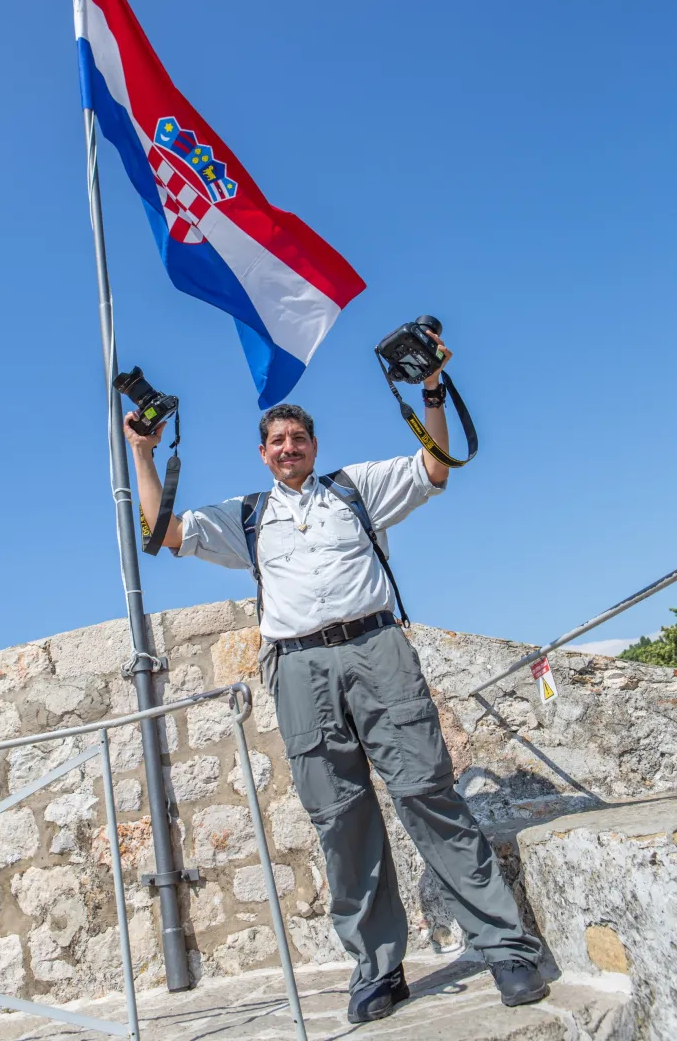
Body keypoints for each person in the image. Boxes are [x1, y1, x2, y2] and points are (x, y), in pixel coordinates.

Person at [124, 329, 548, 1024]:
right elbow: (164, 530)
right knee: (340, 820)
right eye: (277, 441)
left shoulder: (357, 489)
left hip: (377, 651)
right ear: (262, 454)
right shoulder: (248, 517)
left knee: (426, 793)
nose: (288, 448)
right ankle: (378, 967)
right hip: (298, 669)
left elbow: (436, 467)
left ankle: (504, 945)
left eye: (298, 438)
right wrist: (142, 451)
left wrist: (431, 390)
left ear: (313, 447)